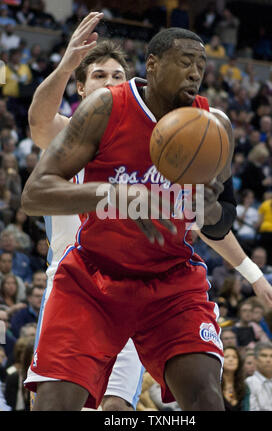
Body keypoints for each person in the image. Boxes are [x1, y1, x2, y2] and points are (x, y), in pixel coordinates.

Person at [22, 25, 272, 411]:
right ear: (153, 64)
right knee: (55, 406)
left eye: (201, 65)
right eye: (185, 63)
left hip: (171, 284)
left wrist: (208, 208)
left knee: (204, 399)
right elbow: (34, 193)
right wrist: (116, 193)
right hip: (92, 280)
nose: (196, 73)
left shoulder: (213, 127)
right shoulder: (104, 109)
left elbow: (216, 223)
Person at [25, 12, 144, 412]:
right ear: (80, 86)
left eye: (117, 77)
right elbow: (38, 122)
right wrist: (66, 63)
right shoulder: (68, 134)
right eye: (98, 76)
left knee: (117, 410)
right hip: (72, 287)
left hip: (129, 290)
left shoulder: (150, 145)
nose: (110, 83)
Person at [221, 346, 249, 411]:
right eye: (226, 357)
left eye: (234, 357)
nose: (231, 359)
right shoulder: (215, 386)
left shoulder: (244, 387)